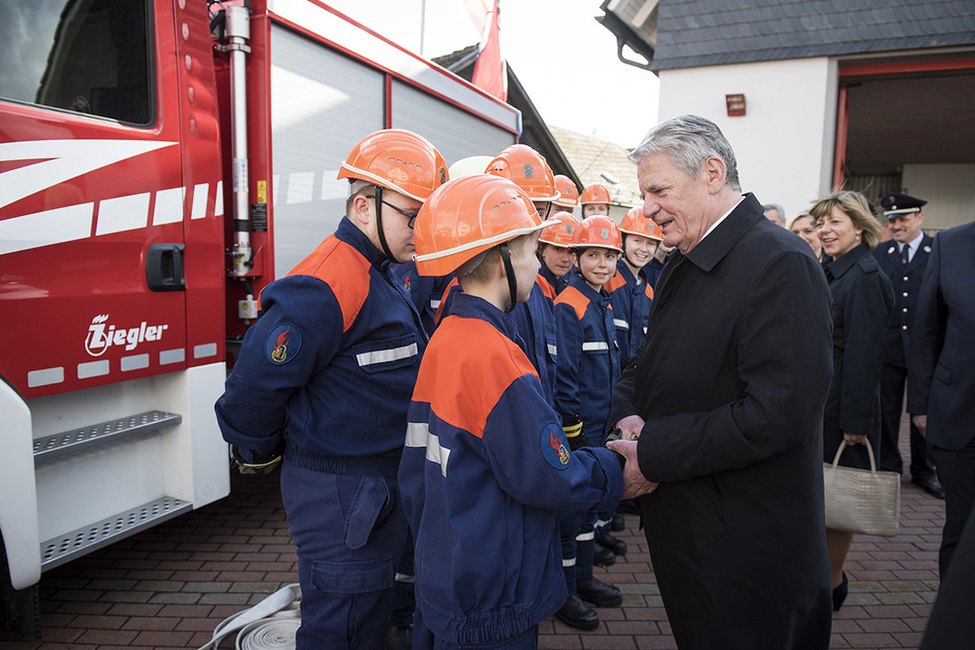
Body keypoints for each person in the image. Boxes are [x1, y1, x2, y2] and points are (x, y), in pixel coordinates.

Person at [606, 114, 835, 649]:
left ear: (712, 173)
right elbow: (647, 361)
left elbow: (777, 415)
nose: (646, 209)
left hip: (745, 552)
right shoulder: (689, 256)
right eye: (644, 193)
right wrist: (627, 415)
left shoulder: (780, 262)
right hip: (700, 536)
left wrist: (655, 450)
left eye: (659, 190)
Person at [214, 129, 447, 649]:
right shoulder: (325, 285)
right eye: (413, 216)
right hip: (344, 498)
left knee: (365, 623)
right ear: (364, 206)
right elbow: (251, 392)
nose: (421, 231)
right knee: (341, 630)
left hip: (369, 493)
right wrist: (261, 452)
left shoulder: (378, 272)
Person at [399, 174, 624, 648]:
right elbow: (548, 476)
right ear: (502, 260)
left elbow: (419, 471)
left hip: (449, 567)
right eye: (530, 251)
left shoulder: (446, 335)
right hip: (493, 590)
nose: (537, 267)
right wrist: (616, 466)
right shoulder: (493, 354)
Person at [811, 190, 894, 611]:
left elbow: (864, 357)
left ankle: (832, 585)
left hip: (845, 410)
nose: (824, 230)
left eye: (835, 222)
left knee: (839, 502)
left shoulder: (863, 277)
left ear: (859, 228)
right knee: (823, 497)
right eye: (821, 223)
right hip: (825, 404)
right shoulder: (835, 271)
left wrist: (856, 422)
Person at [553, 215, 625, 630]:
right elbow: (565, 374)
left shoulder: (603, 301)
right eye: (593, 255)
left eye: (609, 256)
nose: (602, 263)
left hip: (601, 426)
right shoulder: (571, 303)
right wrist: (573, 429)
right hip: (580, 430)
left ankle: (582, 579)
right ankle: (565, 594)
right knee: (570, 516)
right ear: (576, 257)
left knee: (586, 514)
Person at [907, 218, 975, 579]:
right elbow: (926, 332)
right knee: (962, 529)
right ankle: (954, 629)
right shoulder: (951, 244)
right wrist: (920, 405)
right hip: (959, 415)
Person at [872, 193, 944, 499]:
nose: (896, 225)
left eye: (902, 219)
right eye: (892, 220)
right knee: (887, 410)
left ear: (919, 219)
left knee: (922, 409)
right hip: (889, 345)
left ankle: (924, 470)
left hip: (922, 346)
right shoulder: (881, 252)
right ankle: (890, 465)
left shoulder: (935, 251)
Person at [609, 205, 661, 363]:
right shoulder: (608, 280)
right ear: (623, 240)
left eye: (651, 244)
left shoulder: (649, 292)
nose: (643, 249)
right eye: (637, 240)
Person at [537, 212, 579, 299]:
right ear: (542, 250)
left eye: (571, 252)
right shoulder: (534, 286)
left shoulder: (573, 280)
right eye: (558, 249)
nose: (565, 259)